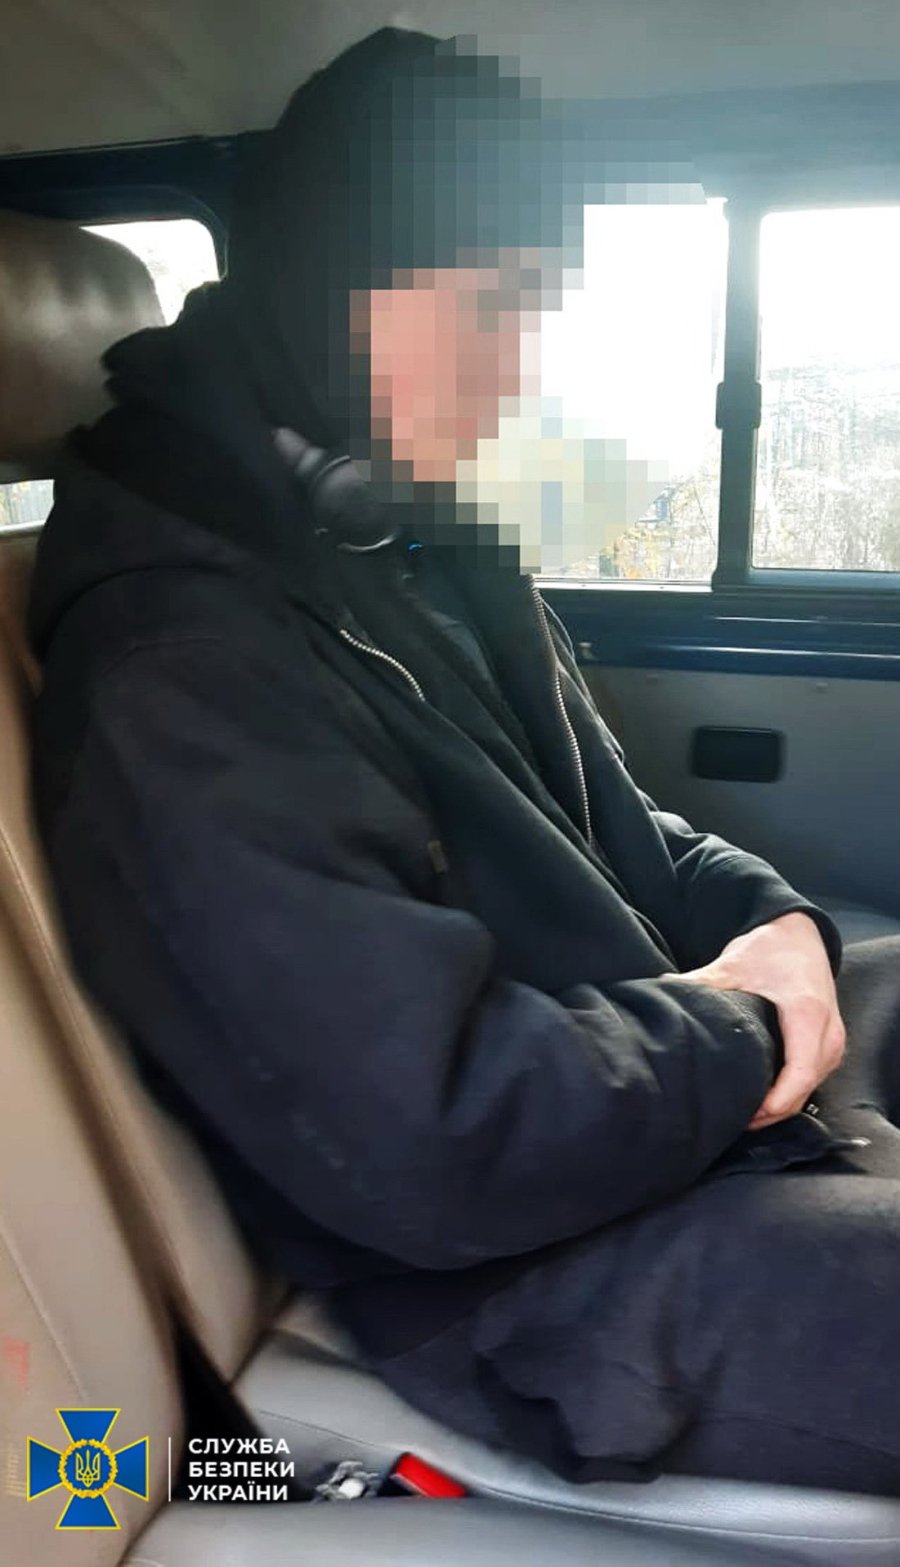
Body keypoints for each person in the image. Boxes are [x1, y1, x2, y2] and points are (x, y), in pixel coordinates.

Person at [28, 27, 900, 1495]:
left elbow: (624, 830)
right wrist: (750, 1029)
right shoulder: (177, 662)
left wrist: (775, 927)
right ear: (337, 281)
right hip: (530, 1263)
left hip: (643, 1099)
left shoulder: (412, 539)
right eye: (488, 310)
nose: (519, 370)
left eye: (538, 313)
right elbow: (426, 1134)